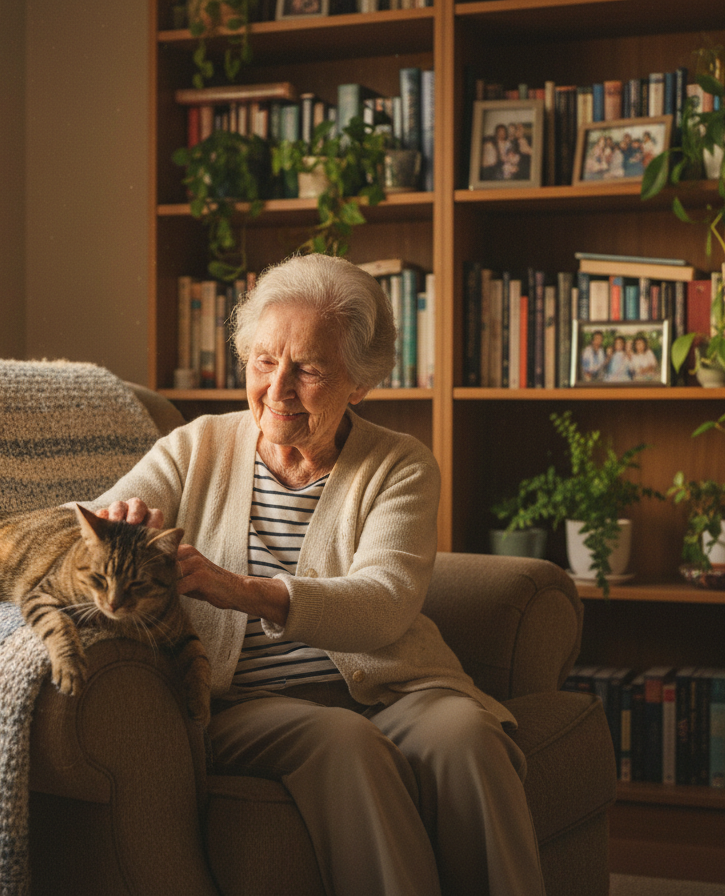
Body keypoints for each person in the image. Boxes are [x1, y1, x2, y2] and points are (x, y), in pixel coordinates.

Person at [90, 253, 545, 896]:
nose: (277, 389)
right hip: (246, 704)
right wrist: (114, 521)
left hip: (393, 687)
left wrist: (242, 591)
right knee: (344, 740)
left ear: (359, 383)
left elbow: (384, 602)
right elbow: (80, 524)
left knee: (468, 736)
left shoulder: (400, 465)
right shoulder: (196, 447)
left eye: (307, 369)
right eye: (264, 361)